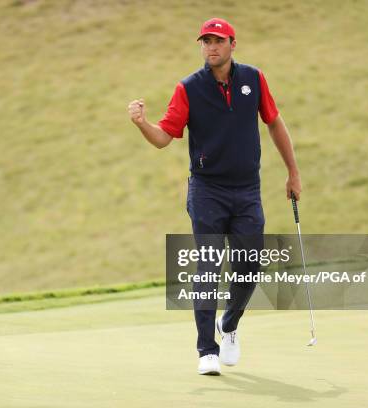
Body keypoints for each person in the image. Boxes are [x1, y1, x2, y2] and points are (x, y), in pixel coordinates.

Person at [127, 17, 302, 375]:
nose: (211, 47)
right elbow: (165, 137)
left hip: (247, 190)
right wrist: (143, 124)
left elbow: (273, 122)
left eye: (218, 41)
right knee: (208, 265)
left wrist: (293, 172)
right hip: (208, 191)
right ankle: (206, 348)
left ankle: (230, 324)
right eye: (205, 41)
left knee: (249, 265)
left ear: (232, 44)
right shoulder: (189, 88)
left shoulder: (253, 79)